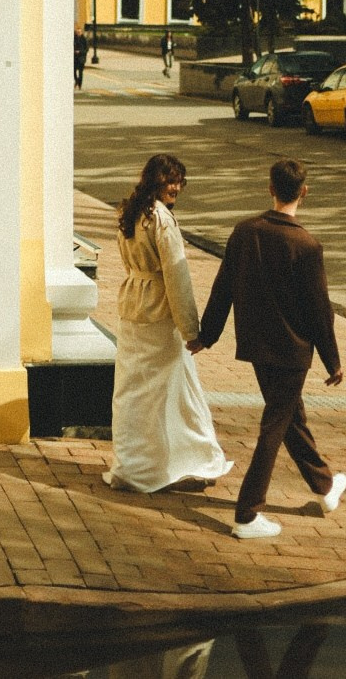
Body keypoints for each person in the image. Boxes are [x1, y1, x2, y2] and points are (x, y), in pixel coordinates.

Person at [194, 157, 346, 539]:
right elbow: (319, 310)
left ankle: (325, 486)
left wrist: (207, 335)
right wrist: (333, 361)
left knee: (291, 418)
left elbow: (222, 287)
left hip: (257, 346)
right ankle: (247, 514)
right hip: (293, 351)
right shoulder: (307, 245)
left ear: (270, 188)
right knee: (275, 426)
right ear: (304, 192)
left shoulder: (245, 232)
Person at [104, 153, 232, 494]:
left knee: (133, 390)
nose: (176, 187)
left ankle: (133, 464)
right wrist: (192, 331)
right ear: (156, 182)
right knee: (177, 390)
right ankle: (195, 459)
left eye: (179, 181)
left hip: (133, 307)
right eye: (170, 181)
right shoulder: (161, 219)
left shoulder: (130, 214)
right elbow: (177, 277)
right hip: (159, 310)